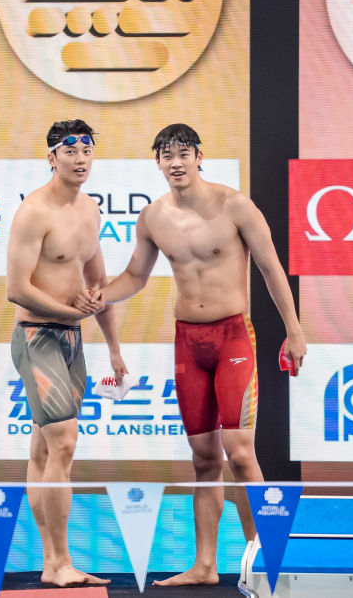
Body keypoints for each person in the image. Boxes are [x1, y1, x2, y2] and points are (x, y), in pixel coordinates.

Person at [76, 123, 306, 586]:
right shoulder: (152, 217)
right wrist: (100, 296)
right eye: (167, 155)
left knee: (240, 454)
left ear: (200, 157)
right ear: (157, 163)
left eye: (184, 153)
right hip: (188, 341)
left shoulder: (235, 205)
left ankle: (264, 563)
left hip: (233, 338)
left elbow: (270, 267)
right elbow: (135, 277)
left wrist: (295, 331)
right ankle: (204, 566)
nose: (176, 162)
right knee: (203, 459)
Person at [6, 119, 127, 587]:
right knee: (64, 443)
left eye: (87, 151)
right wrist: (70, 313)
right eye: (70, 151)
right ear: (51, 157)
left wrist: (113, 348)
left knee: (44, 451)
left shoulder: (91, 209)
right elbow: (17, 289)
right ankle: (59, 562)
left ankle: (52, 563)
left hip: (73, 342)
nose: (80, 159)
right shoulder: (33, 212)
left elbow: (98, 285)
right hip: (37, 338)